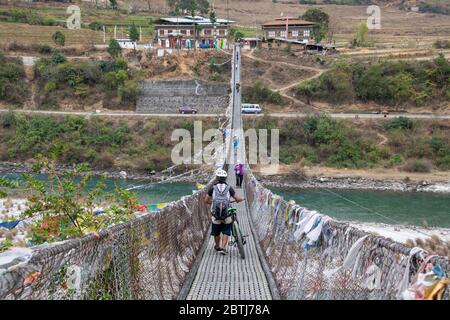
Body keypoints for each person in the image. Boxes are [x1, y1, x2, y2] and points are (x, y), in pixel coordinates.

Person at [204, 169, 244, 255]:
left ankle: (217, 246)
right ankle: (223, 247)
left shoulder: (212, 188)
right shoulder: (229, 188)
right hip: (227, 214)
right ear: (225, 178)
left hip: (215, 214)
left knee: (216, 232)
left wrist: (213, 202)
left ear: (217, 178)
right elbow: (237, 198)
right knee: (226, 230)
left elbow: (206, 200)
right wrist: (240, 199)